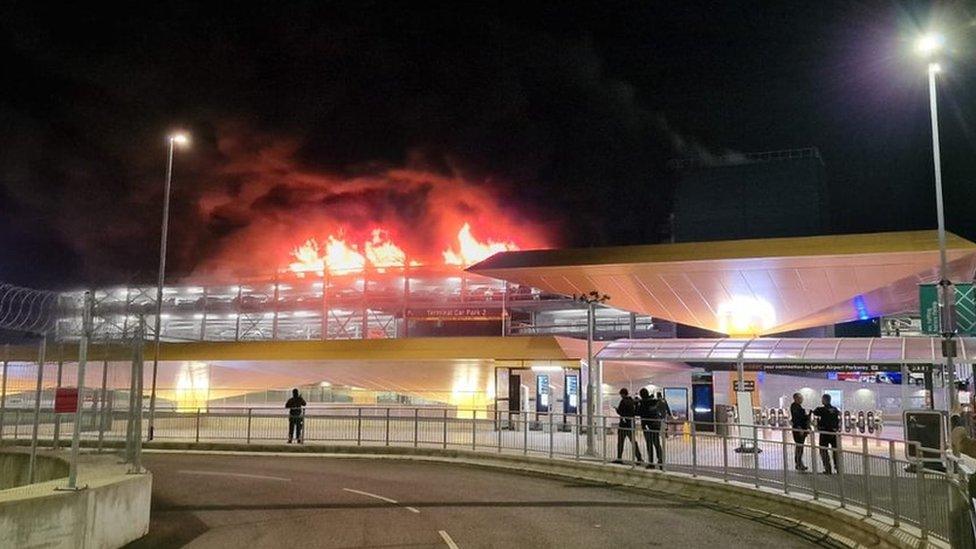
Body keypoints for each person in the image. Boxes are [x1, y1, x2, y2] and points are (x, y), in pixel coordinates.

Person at [812, 393, 841, 474]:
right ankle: (838, 468)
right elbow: (838, 418)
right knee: (835, 451)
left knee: (823, 451)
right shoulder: (835, 409)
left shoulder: (821, 409)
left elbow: (814, 413)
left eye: (822, 399)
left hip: (824, 433)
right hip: (834, 433)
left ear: (825, 400)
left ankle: (828, 469)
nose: (821, 401)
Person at [613, 388, 642, 464]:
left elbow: (620, 412)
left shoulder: (623, 401)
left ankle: (619, 458)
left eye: (621, 394)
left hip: (623, 425)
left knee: (620, 442)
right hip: (631, 424)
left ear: (622, 394)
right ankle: (639, 458)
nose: (621, 396)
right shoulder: (632, 401)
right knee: (633, 442)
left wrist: (616, 409)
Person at [637, 388, 664, 469]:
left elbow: (638, 413)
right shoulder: (654, 401)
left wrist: (637, 404)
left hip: (647, 426)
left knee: (649, 444)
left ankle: (651, 462)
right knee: (656, 443)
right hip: (656, 425)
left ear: (641, 395)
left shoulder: (643, 403)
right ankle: (661, 460)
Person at [789, 392, 810, 471]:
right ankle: (798, 463)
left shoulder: (798, 407)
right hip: (798, 430)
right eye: (800, 398)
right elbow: (797, 419)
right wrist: (800, 428)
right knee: (799, 447)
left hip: (801, 429)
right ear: (796, 398)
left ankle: (799, 463)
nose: (802, 399)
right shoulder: (795, 407)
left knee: (800, 447)